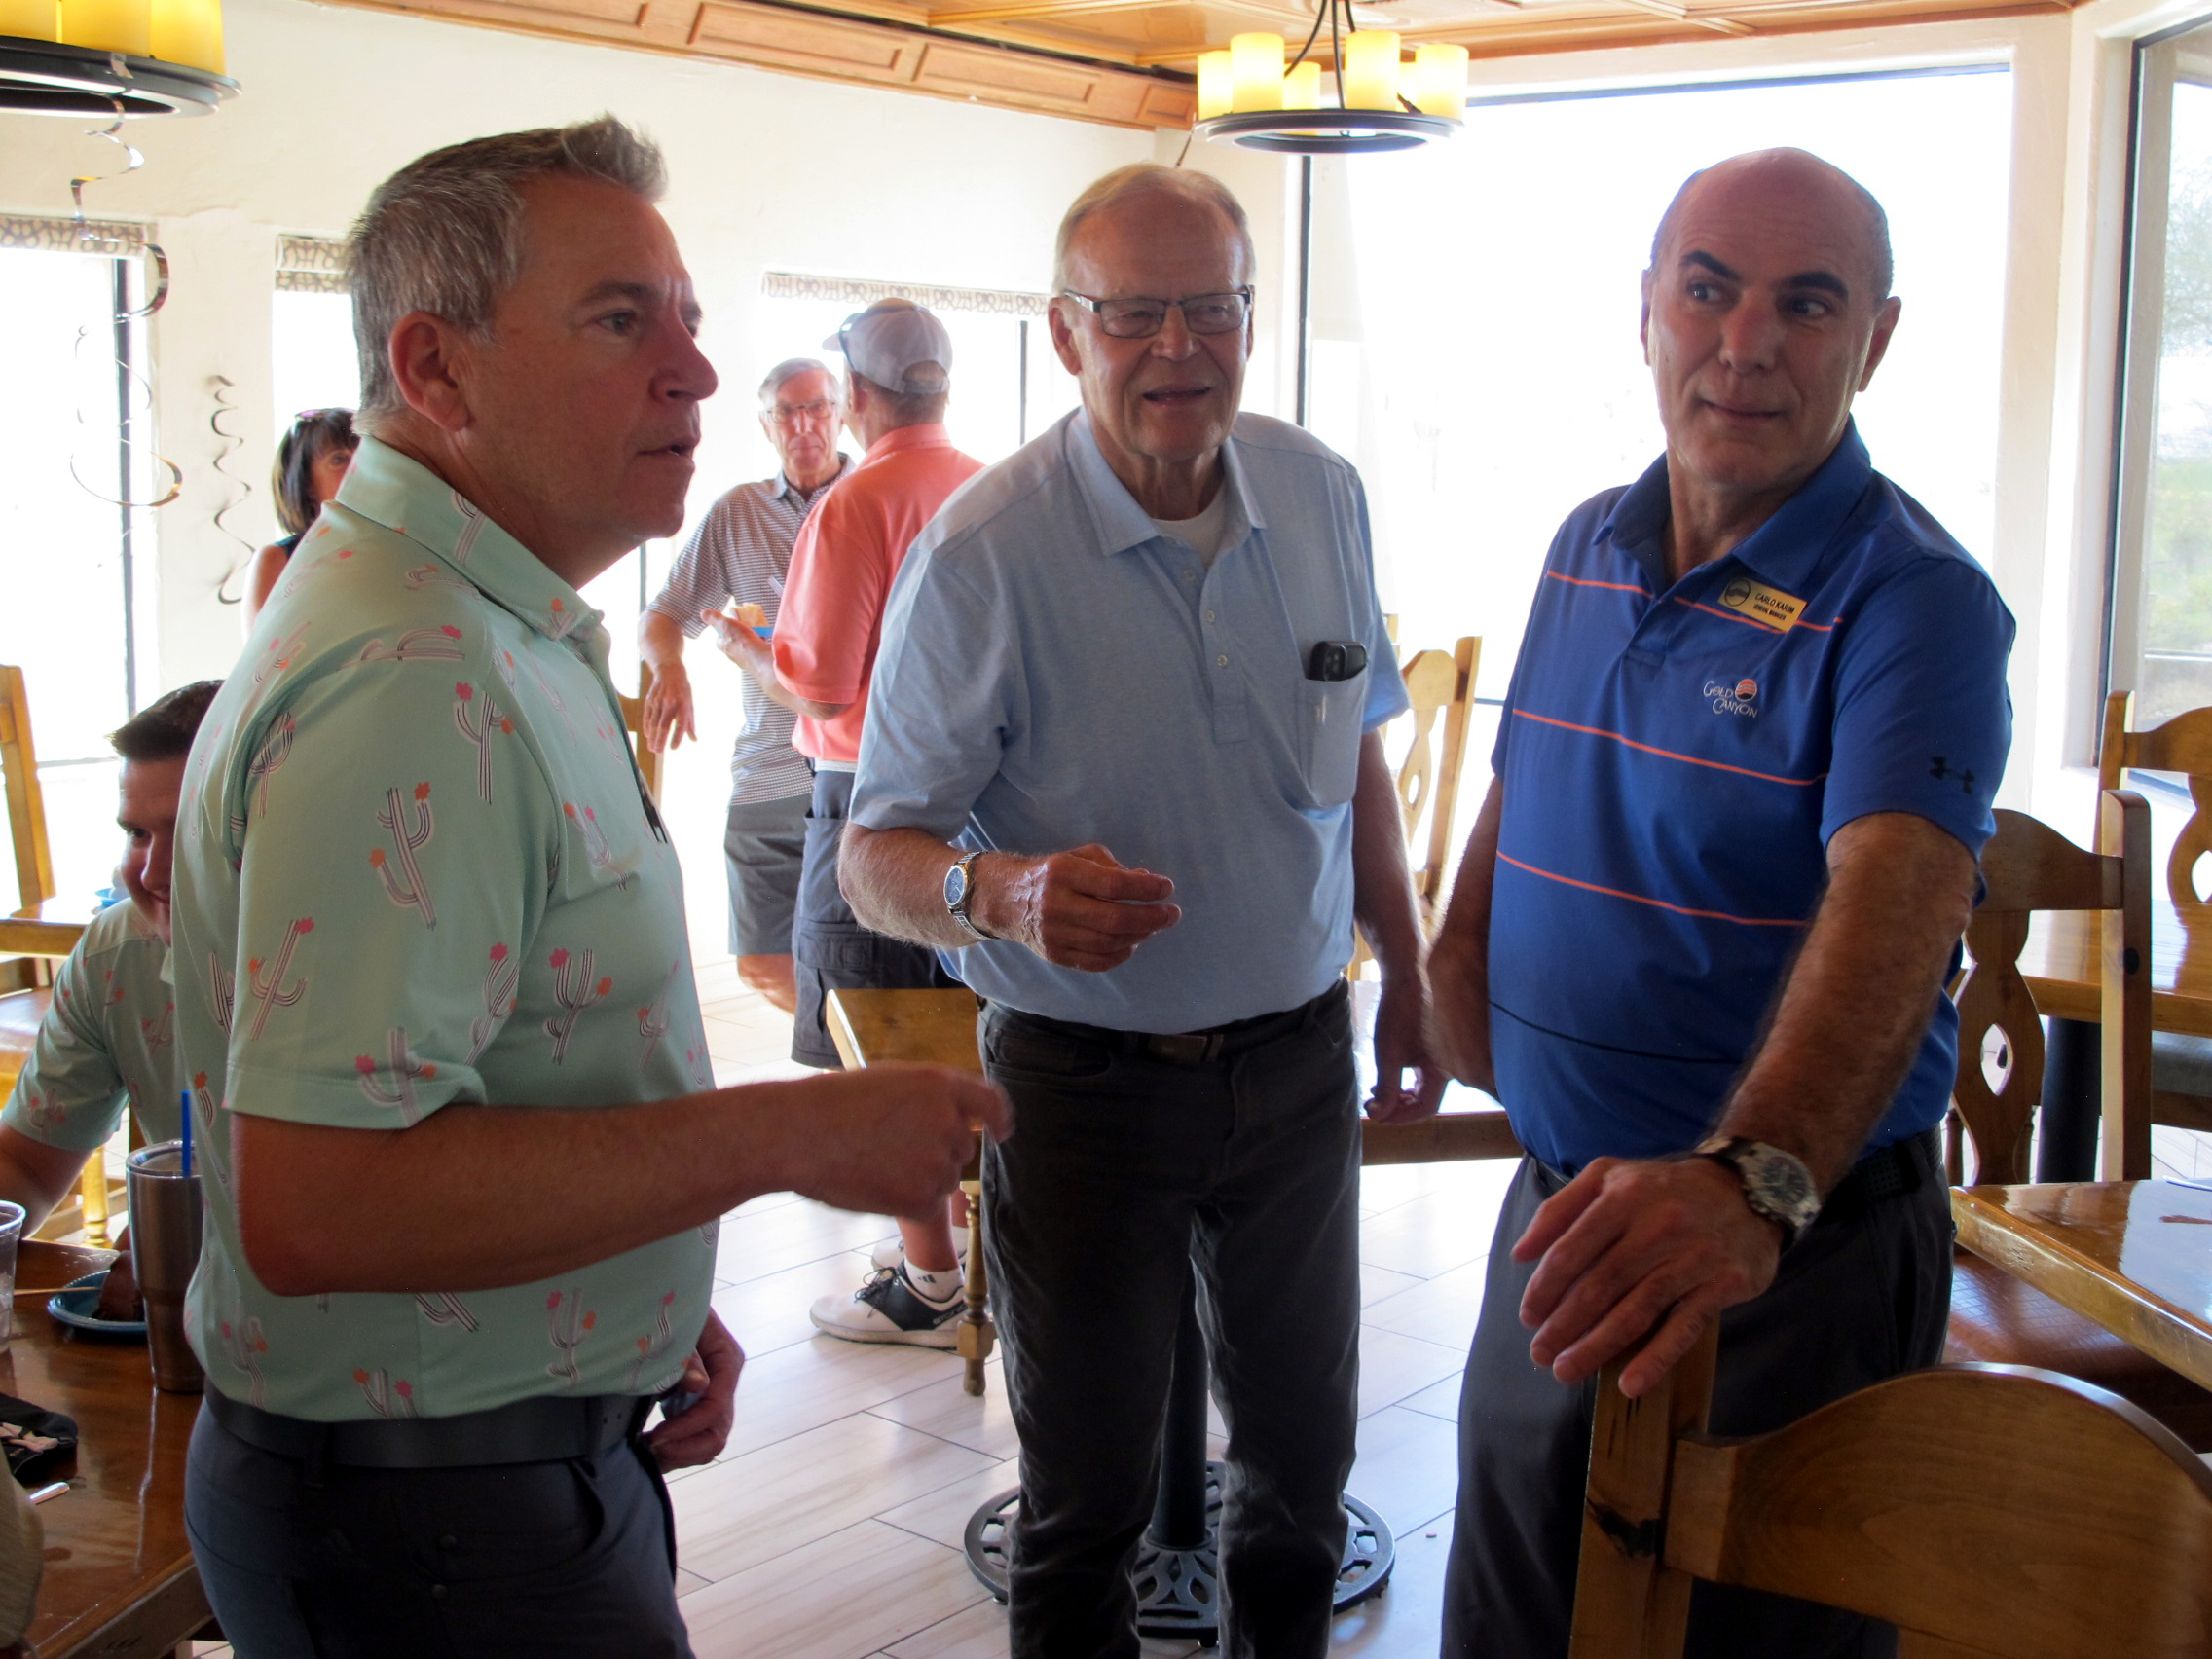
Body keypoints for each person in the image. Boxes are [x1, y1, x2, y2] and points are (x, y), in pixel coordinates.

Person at [171, 118, 1007, 1659]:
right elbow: (326, 1200)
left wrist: (626, 1284)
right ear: (438, 370)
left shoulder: (487, 626)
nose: (695, 372)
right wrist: (784, 1135)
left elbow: (502, 1067)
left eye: (686, 318)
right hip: (438, 1533)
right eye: (623, 322)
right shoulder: (412, 674)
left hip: (478, 1471)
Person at [838, 165, 1443, 1658]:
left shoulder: (1321, 493)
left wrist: (1412, 978)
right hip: (1082, 1090)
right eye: (1134, 316)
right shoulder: (983, 554)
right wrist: (1001, 892)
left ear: (1251, 318)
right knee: (1085, 1508)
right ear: (1065, 333)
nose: (1180, 347)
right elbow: (874, 856)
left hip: (1299, 1065)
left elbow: (1358, 750)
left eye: (1212, 308)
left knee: (1301, 1481)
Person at [1425, 148, 2015, 1658]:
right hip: (1560, 1222)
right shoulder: (1584, 544)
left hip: (1787, 1254)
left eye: (1806, 304)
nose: (1746, 344)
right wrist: (1449, 977)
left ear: (1876, 340)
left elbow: (1901, 902)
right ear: (1647, 311)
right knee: (1514, 1626)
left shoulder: (1916, 599)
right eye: (1709, 290)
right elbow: (1523, 785)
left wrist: (1754, 1185)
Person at [714, 300, 984, 1346]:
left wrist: (753, 654)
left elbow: (823, 688)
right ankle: (958, 1239)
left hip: (868, 796)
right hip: (983, 808)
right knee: (958, 1021)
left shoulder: (855, 501)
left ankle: (929, 1282)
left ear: (859, 397)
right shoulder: (991, 487)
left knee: (873, 1032)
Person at [0, 679, 220, 1322]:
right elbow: (25, 1168)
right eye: (137, 834)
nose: (151, 873)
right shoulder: (114, 956)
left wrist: (213, 1238)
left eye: (189, 832)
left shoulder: (374, 964)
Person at [637, 357, 849, 1015]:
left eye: (817, 407)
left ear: (843, 414)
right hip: (767, 770)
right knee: (762, 962)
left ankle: (855, 1059)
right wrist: (669, 667)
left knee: (860, 960)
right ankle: (854, 1054)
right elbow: (663, 614)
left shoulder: (873, 499)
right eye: (787, 411)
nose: (804, 424)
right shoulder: (738, 512)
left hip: (858, 772)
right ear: (766, 425)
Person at [243, 407, 355, 620]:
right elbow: (263, 642)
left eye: (364, 456)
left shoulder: (400, 545)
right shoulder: (276, 561)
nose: (357, 467)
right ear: (307, 484)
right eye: (339, 459)